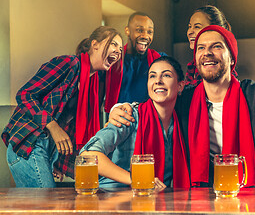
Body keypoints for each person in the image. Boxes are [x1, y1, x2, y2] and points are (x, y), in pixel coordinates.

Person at [109, 25, 255, 188]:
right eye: (201, 48)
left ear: (231, 58)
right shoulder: (184, 101)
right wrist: (119, 108)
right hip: (216, 194)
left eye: (216, 46)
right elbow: (151, 105)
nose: (207, 52)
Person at [1, 26, 124, 187]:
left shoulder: (92, 84)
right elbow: (25, 95)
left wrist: (56, 162)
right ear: (95, 45)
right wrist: (53, 126)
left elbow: (71, 127)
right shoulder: (69, 63)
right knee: (47, 209)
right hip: (29, 144)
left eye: (121, 48)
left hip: (48, 151)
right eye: (114, 44)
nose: (118, 51)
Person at [80, 56, 190, 189]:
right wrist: (137, 179)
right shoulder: (130, 115)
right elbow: (87, 155)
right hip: (113, 197)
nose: (158, 81)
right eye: (152, 76)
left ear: (180, 86)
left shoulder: (181, 124)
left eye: (166, 75)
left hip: (155, 201)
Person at [105, 12, 167, 112]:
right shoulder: (112, 60)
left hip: (149, 121)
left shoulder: (160, 60)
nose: (145, 36)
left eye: (150, 32)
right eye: (139, 30)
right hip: (118, 122)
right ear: (127, 31)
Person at [185, 5, 232, 87]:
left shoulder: (223, 71)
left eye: (197, 27)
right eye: (189, 26)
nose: (189, 32)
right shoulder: (192, 68)